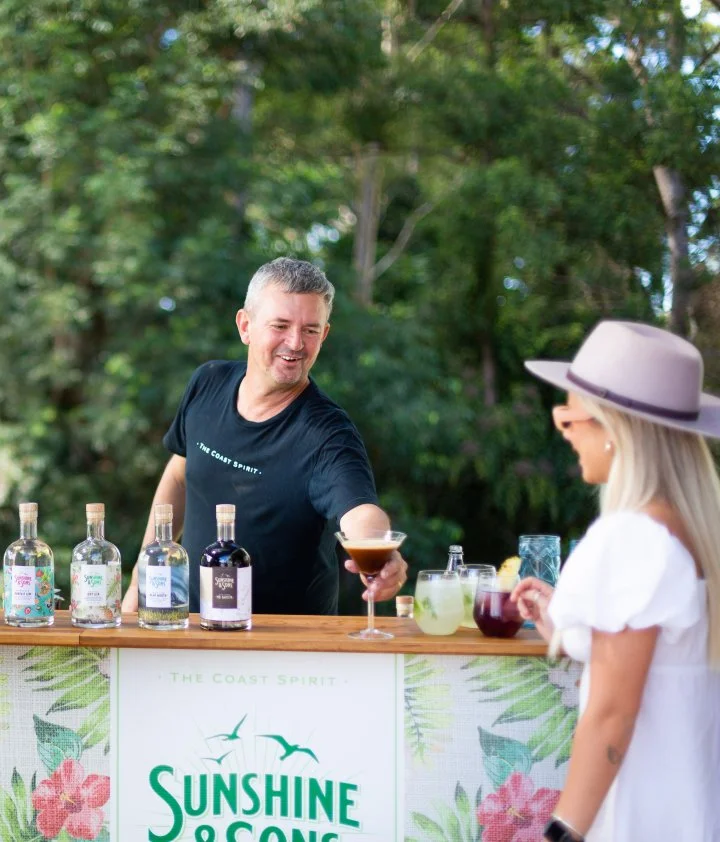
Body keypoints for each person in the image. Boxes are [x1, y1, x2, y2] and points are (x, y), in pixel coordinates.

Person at [511, 320, 720, 842]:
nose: (567, 435)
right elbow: (663, 662)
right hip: (692, 807)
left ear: (613, 428)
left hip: (641, 815)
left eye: (569, 420)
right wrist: (565, 621)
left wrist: (563, 832)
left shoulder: (633, 539)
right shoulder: (696, 531)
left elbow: (611, 714)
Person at [121, 257, 407, 615]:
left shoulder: (327, 433)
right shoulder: (207, 383)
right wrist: (141, 579)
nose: (295, 342)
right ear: (246, 326)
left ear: (325, 335)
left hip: (283, 651)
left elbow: (360, 511)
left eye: (310, 330)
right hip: (188, 629)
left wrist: (380, 551)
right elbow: (180, 475)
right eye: (280, 325)